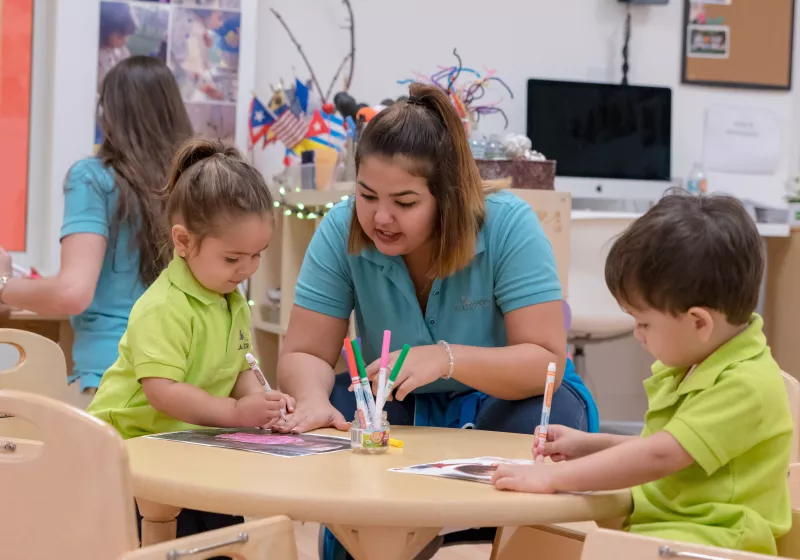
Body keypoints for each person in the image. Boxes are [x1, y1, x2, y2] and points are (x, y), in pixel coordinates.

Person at [272, 83, 598, 559]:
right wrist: (312, 399)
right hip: (394, 405)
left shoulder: (507, 225)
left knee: (551, 423)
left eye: (404, 203)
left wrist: (445, 358)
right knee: (338, 412)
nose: (380, 217)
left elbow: (546, 363)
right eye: (366, 195)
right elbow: (304, 353)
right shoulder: (342, 227)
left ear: (447, 196)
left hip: (499, 402)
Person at [492, 193, 793, 555]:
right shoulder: (699, 365)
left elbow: (660, 456)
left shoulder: (746, 383)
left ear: (699, 322)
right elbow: (666, 446)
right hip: (673, 530)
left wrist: (552, 477)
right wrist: (587, 444)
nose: (637, 334)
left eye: (644, 323)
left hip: (716, 542)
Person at [88, 137, 292, 539]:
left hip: (188, 443)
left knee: (224, 532)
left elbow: (241, 369)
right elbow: (162, 390)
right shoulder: (163, 306)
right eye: (233, 258)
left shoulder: (231, 301)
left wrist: (262, 401)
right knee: (165, 540)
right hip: (128, 450)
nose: (247, 269)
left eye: (258, 254)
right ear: (183, 242)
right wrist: (236, 414)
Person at [0, 56, 194, 394]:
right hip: (190, 382)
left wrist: (3, 284)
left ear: (110, 113)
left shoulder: (93, 178)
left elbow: (72, 292)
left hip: (113, 378)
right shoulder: (196, 181)